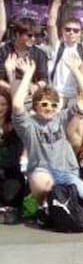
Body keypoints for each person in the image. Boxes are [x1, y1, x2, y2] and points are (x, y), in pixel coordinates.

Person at [11, 56, 83, 209]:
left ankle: (54, 208)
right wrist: (28, 74)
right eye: (44, 104)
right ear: (35, 106)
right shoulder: (28, 124)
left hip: (67, 171)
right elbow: (17, 105)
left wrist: (76, 71)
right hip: (41, 172)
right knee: (43, 185)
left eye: (53, 105)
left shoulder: (61, 118)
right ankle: (39, 206)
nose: (49, 108)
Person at [46, 0, 83, 108]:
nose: (71, 32)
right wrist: (57, 0)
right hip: (56, 95)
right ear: (63, 31)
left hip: (76, 96)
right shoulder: (58, 45)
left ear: (81, 33)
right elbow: (51, 24)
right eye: (68, 29)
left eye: (76, 30)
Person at [0, 18, 49, 89]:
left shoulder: (40, 54)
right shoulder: (3, 51)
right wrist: (13, 89)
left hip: (31, 91)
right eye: (29, 35)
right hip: (7, 90)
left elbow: (44, 79)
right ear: (17, 34)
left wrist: (35, 87)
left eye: (36, 36)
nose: (33, 39)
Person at [0, 85, 25, 220]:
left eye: (3, 104)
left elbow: (13, 158)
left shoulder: (15, 126)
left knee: (10, 196)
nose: (0, 108)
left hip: (11, 171)